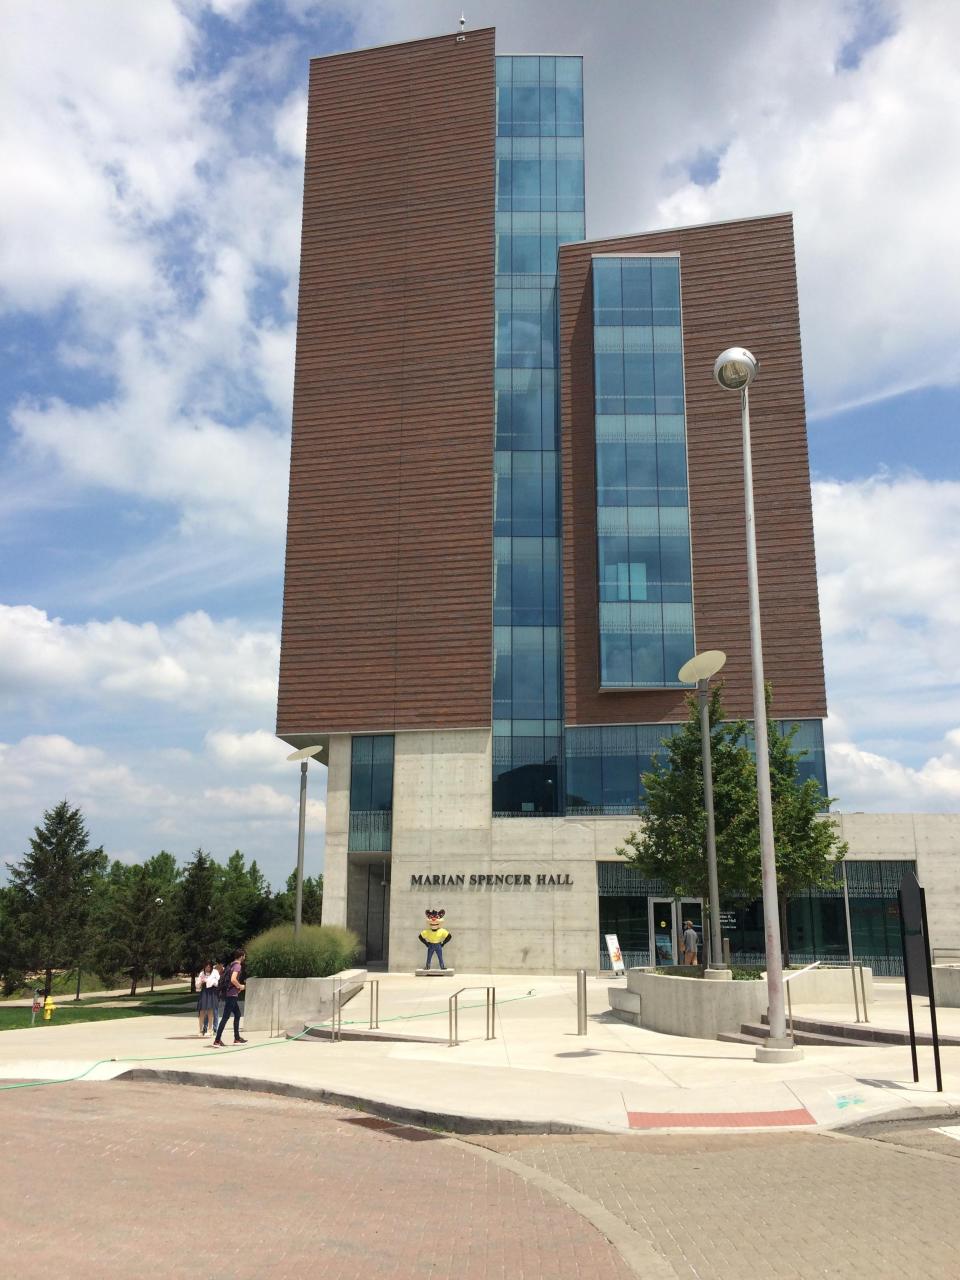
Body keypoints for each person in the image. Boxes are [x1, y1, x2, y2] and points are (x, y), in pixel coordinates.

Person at [213, 949, 247, 1047]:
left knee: (237, 1014)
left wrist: (237, 987)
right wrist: (240, 986)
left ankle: (237, 1038)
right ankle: (217, 1040)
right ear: (241, 956)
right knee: (225, 1017)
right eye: (244, 956)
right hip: (231, 995)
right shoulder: (237, 965)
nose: (244, 958)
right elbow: (233, 979)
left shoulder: (231, 964)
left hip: (230, 994)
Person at [196, 961, 220, 1037]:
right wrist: (201, 982)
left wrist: (208, 981)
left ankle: (211, 1030)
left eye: (209, 967)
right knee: (202, 1011)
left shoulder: (215, 972)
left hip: (212, 992)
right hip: (204, 992)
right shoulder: (202, 973)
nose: (208, 968)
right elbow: (197, 984)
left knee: (211, 1011)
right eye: (206, 967)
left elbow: (217, 982)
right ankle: (201, 1030)